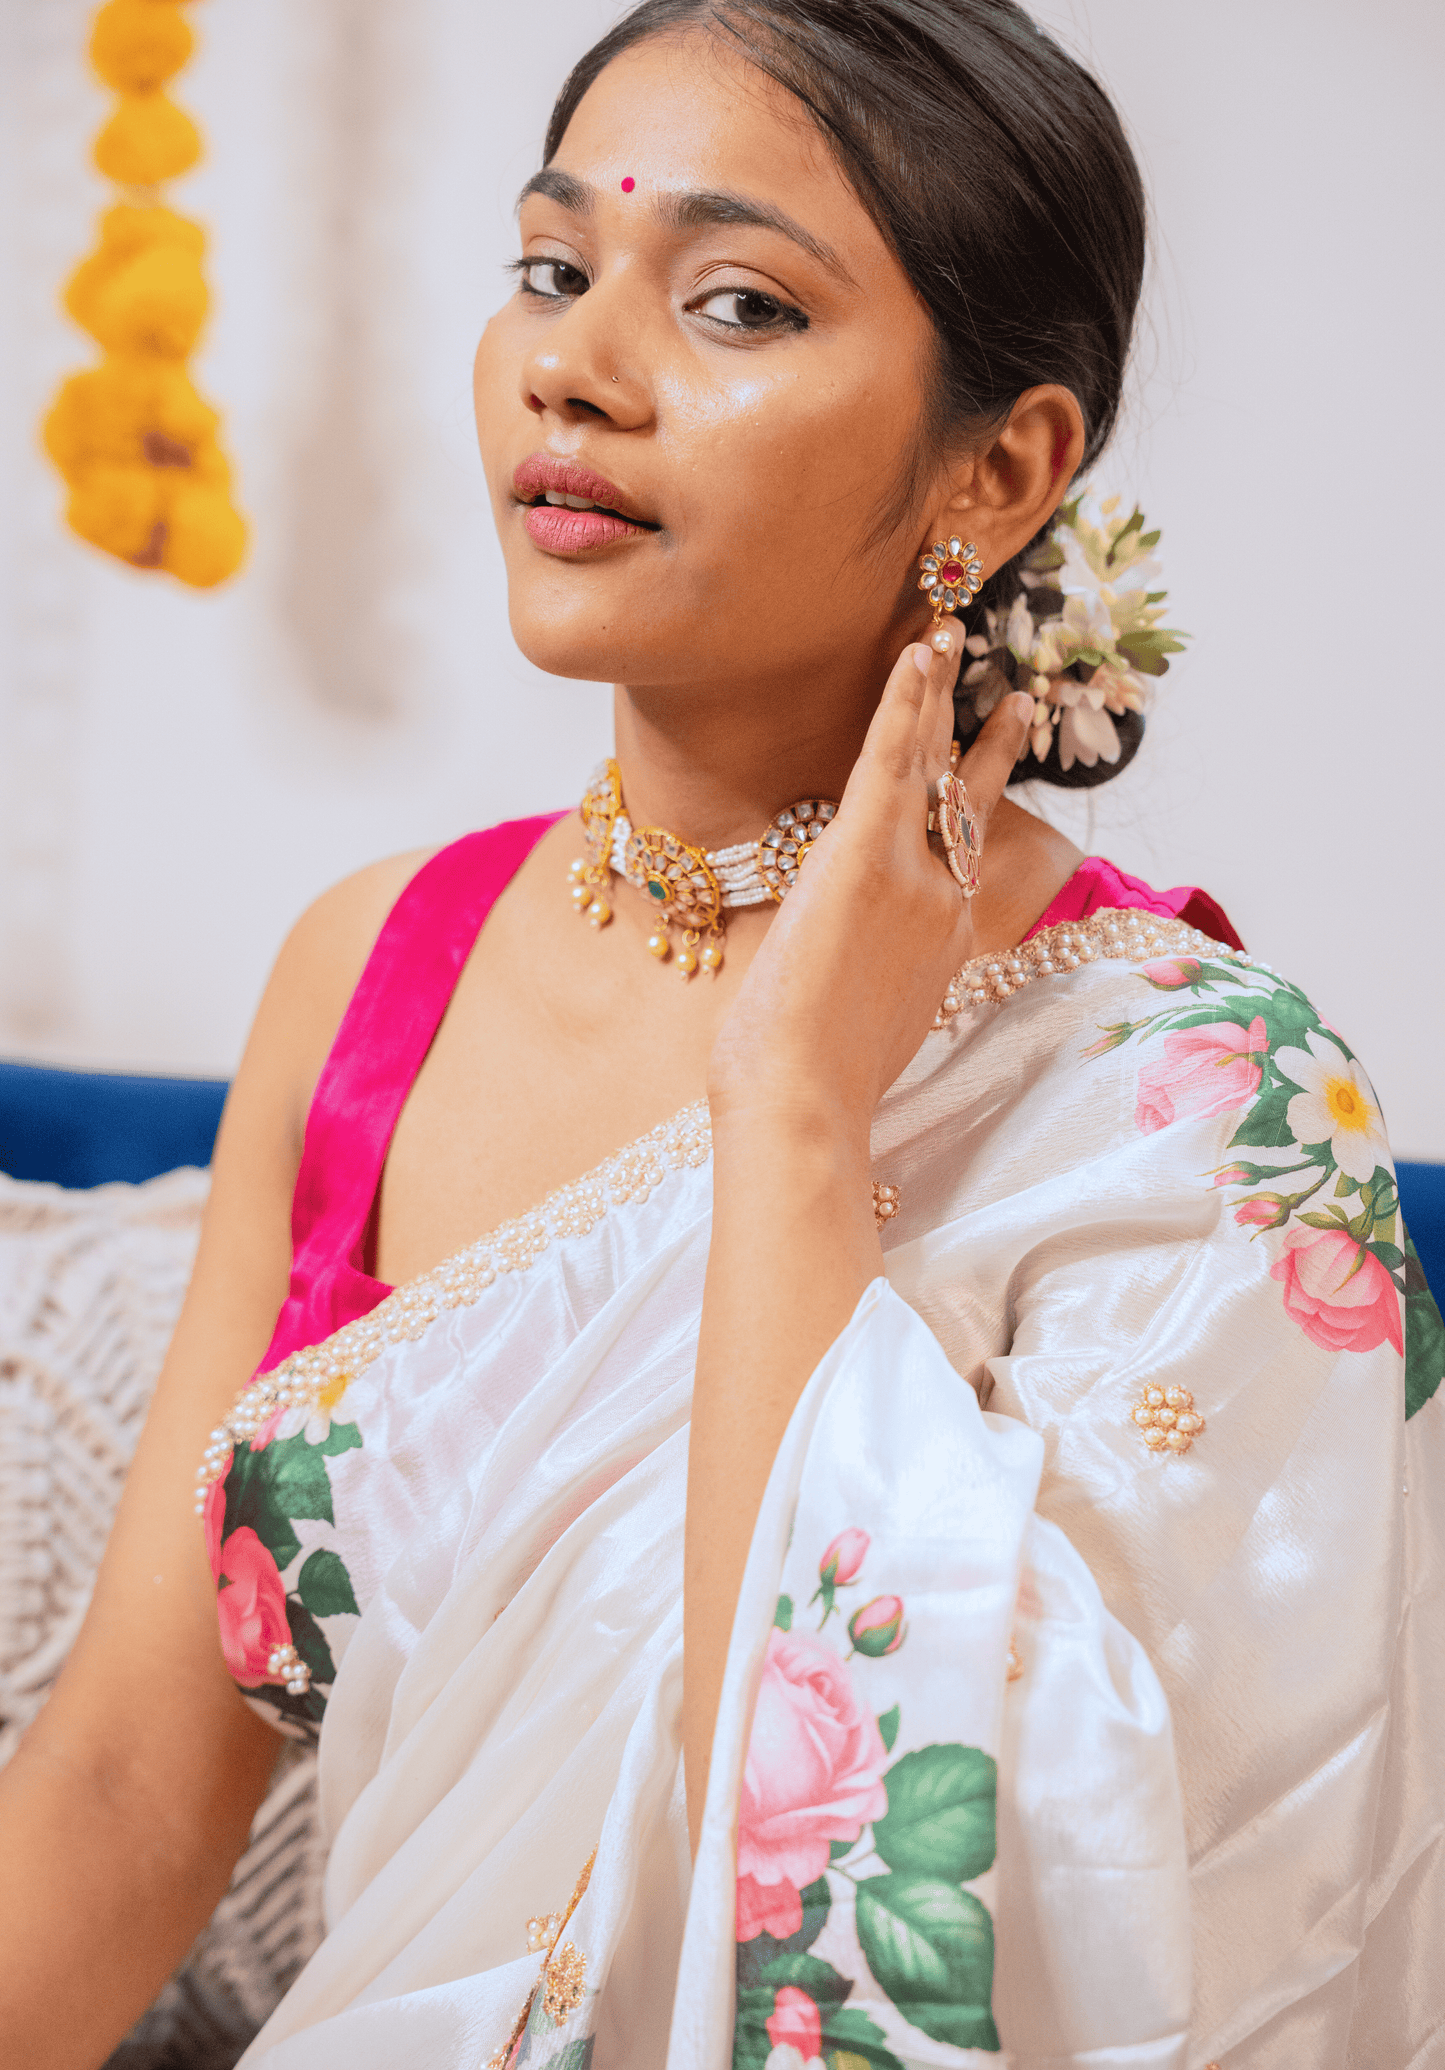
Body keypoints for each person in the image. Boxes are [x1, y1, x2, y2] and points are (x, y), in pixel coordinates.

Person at [2, 3, 1441, 2066]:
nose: (574, 362)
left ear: (1003, 463)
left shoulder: (1193, 1109)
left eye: (737, 301)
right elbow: (127, 1795)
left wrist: (790, 1114)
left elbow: (1023, 1925)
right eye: (549, 267)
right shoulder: (372, 969)